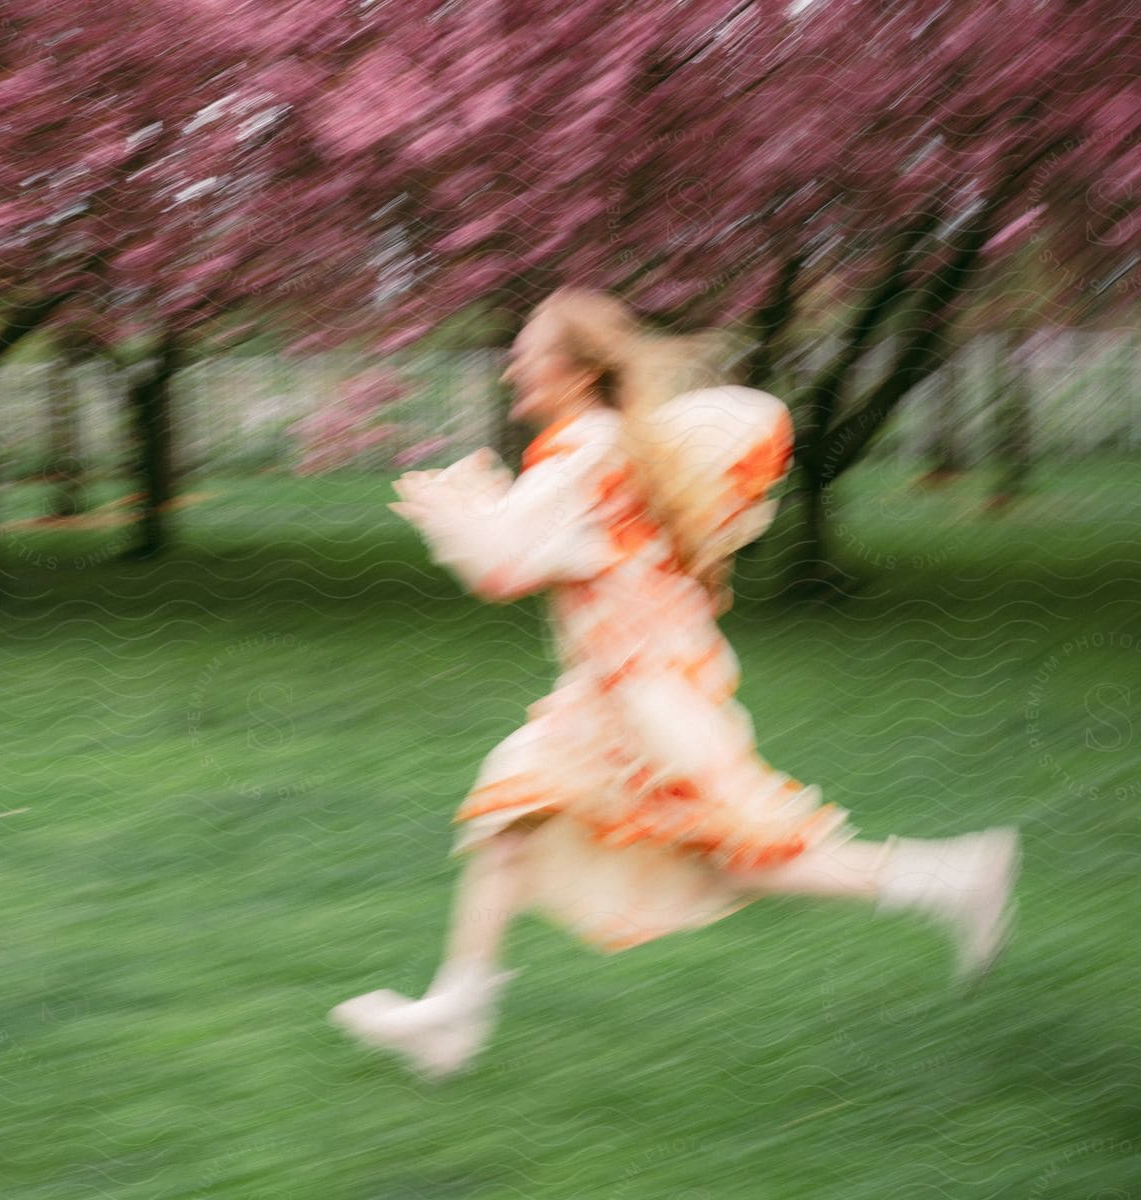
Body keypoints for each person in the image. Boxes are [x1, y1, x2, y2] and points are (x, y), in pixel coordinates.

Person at [329, 288, 1020, 1080]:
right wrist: (484, 512)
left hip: (643, 705)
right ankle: (454, 1012)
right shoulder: (617, 442)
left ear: (576, 368)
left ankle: (951, 878)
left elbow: (505, 568)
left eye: (527, 350)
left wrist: (453, 509)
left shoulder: (584, 452)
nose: (513, 364)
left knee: (736, 857)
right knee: (510, 817)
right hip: (622, 692)